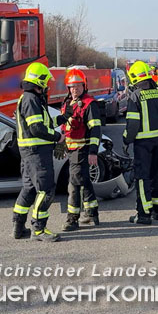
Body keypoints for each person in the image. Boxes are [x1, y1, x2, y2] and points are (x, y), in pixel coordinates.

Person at [13, 62, 64, 242]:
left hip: (29, 153)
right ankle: (39, 229)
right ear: (39, 81)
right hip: (37, 153)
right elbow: (37, 129)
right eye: (46, 82)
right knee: (46, 190)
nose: (47, 86)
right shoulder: (31, 100)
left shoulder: (29, 99)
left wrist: (63, 117)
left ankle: (18, 228)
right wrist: (58, 137)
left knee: (29, 189)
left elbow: (43, 124)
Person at [123, 61, 158, 224]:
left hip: (142, 143)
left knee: (142, 177)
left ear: (134, 77)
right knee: (156, 174)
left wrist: (126, 139)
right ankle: (157, 210)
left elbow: (133, 125)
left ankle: (143, 214)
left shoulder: (135, 96)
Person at [58, 68, 103, 231]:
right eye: (71, 86)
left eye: (77, 86)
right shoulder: (67, 102)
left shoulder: (89, 104)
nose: (74, 89)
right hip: (71, 150)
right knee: (83, 180)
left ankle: (72, 219)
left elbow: (96, 130)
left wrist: (93, 151)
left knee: (74, 184)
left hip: (82, 150)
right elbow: (66, 126)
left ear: (84, 86)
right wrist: (62, 141)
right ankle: (92, 212)